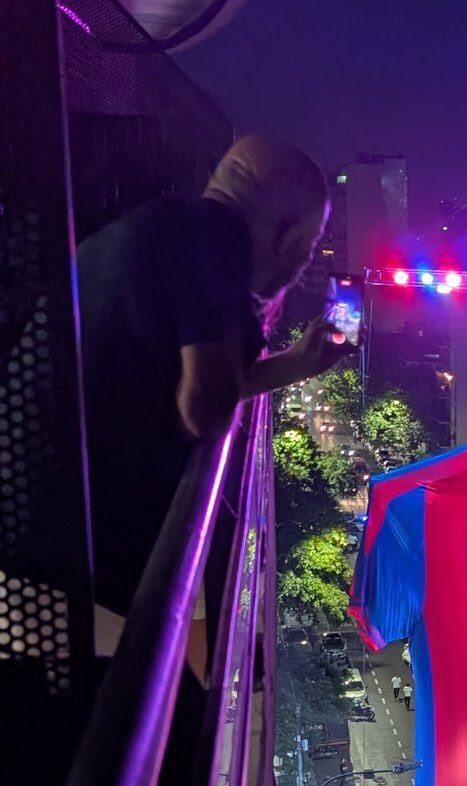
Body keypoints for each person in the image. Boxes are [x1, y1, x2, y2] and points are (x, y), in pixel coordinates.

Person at [75, 134, 344, 624]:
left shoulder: (166, 227)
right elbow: (205, 410)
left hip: (44, 541)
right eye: (308, 248)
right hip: (72, 562)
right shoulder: (215, 243)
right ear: (288, 239)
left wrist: (294, 365)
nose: (302, 263)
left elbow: (174, 382)